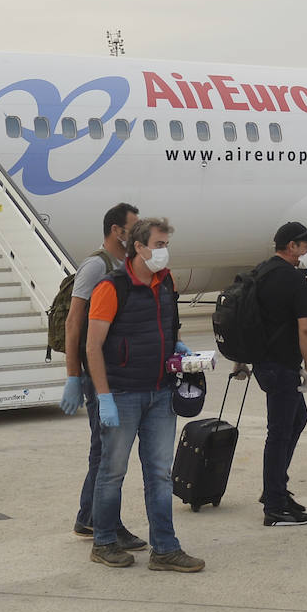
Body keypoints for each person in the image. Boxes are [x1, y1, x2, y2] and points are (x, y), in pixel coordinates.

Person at [84, 218, 204, 572]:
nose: (164, 251)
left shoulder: (165, 283)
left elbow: (169, 327)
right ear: (138, 246)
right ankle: (104, 542)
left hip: (160, 393)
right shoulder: (111, 287)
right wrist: (103, 396)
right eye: (159, 244)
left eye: (166, 244)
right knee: (112, 471)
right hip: (121, 394)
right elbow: (93, 346)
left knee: (160, 474)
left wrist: (178, 348)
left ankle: (165, 548)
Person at [60, 202, 143, 550]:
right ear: (116, 230)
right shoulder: (96, 266)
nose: (138, 233)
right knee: (107, 452)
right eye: (133, 227)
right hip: (98, 375)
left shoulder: (126, 265)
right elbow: (73, 321)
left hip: (118, 372)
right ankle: (102, 522)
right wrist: (73, 375)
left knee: (105, 450)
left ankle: (90, 518)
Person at [240, 221, 307, 527]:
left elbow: (246, 317)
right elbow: (305, 328)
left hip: (264, 363)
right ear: (292, 246)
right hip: (281, 366)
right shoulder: (292, 278)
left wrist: (241, 359)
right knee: (279, 433)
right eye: (305, 245)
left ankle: (275, 488)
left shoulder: (260, 272)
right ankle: (274, 506)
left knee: (297, 419)